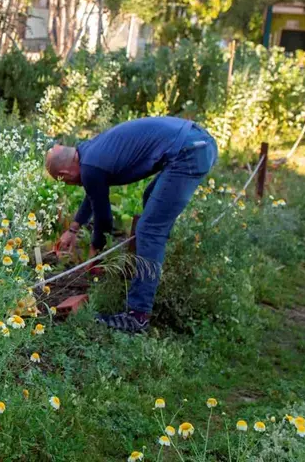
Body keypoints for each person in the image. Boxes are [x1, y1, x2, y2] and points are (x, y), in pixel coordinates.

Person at [45, 116, 218, 333]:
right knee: (150, 201)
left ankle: (137, 316)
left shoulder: (90, 165)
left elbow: (104, 219)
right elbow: (93, 192)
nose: (73, 185)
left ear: (64, 174)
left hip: (189, 151)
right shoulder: (89, 152)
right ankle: (149, 274)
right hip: (195, 141)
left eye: (67, 182)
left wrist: (95, 252)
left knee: (150, 230)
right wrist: (74, 229)